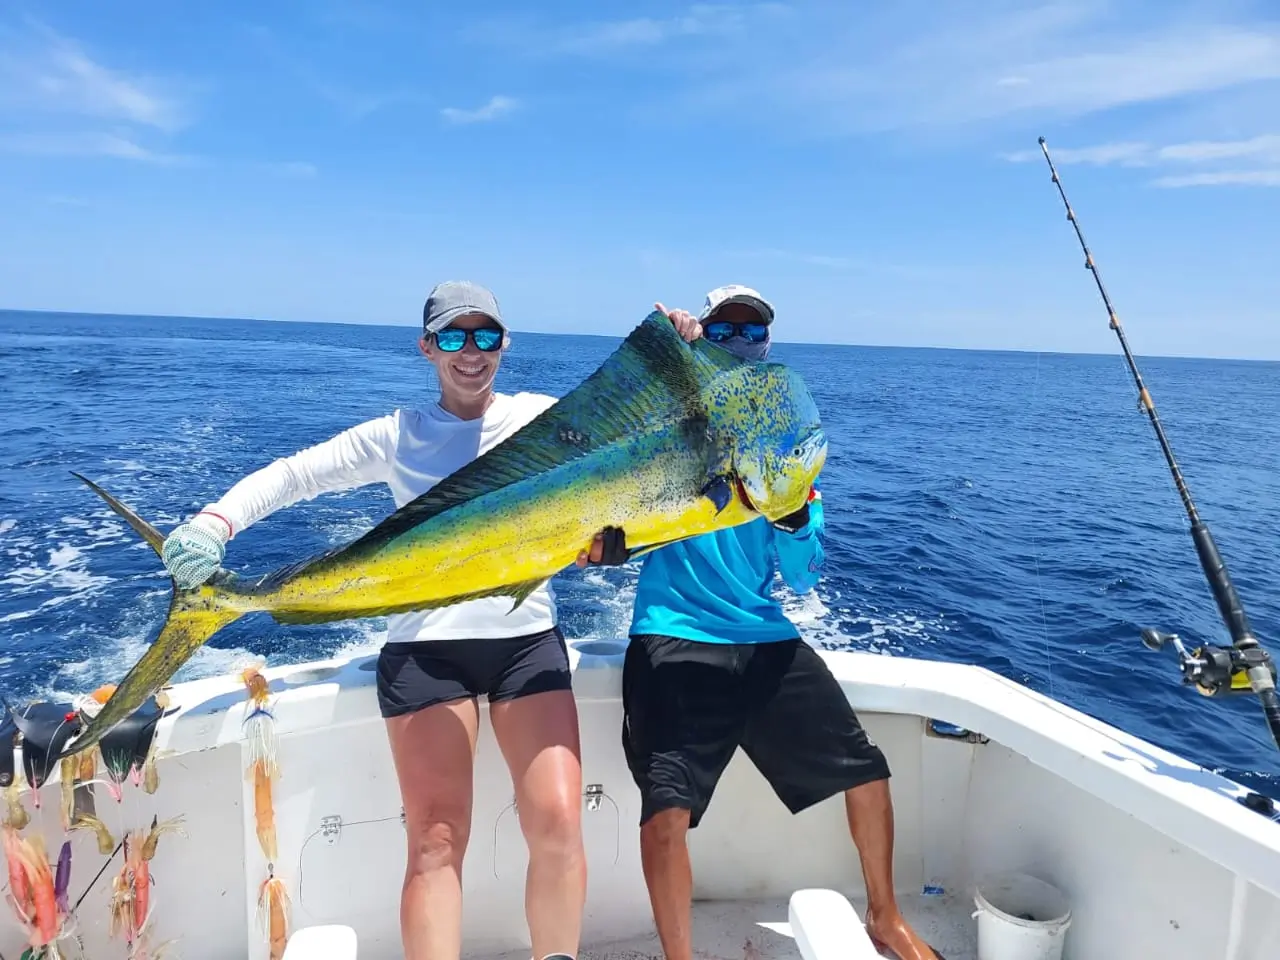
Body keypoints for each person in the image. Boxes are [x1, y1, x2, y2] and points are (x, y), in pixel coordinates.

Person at [161, 281, 585, 960]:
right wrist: (215, 523)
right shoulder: (398, 434)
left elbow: (640, 444)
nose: (470, 351)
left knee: (560, 823)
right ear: (427, 348)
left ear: (505, 344)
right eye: (453, 336)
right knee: (437, 837)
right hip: (426, 652)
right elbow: (294, 476)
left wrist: (685, 345)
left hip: (525, 644)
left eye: (484, 335)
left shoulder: (546, 419)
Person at [577, 285, 944, 960]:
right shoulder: (671, 428)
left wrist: (797, 518)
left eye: (753, 333)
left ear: (768, 346)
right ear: (706, 338)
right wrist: (670, 345)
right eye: (723, 332)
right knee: (665, 812)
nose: (740, 344)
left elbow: (804, 576)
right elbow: (613, 459)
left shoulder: (784, 452)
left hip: (764, 636)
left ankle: (886, 917)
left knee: (868, 771)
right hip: (672, 633)